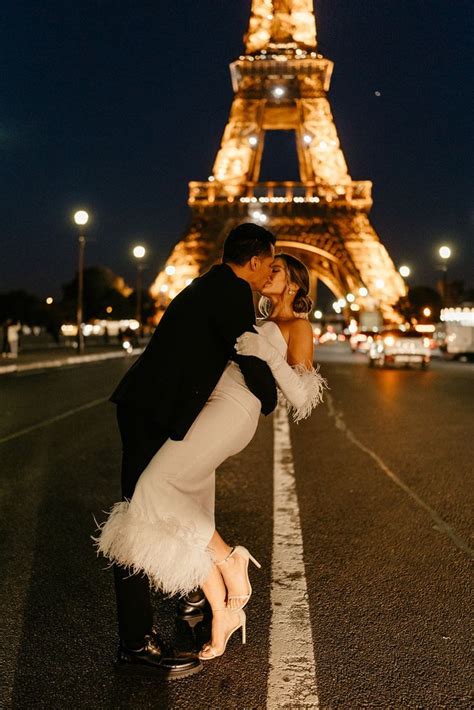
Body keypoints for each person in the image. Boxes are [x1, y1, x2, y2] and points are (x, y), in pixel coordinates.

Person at [95, 243, 328, 666]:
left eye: (277, 269)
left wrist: (268, 356)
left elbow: (300, 396)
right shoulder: (249, 314)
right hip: (213, 409)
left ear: (294, 283)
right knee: (188, 504)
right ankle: (223, 612)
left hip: (234, 412)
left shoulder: (298, 325)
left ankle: (230, 559)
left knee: (155, 486)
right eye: (267, 265)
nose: (268, 273)